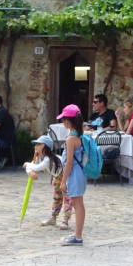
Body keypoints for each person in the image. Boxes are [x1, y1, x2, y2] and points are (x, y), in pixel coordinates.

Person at [23, 134, 72, 230]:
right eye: (36, 144)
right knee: (57, 198)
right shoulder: (39, 157)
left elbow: (37, 167)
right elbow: (32, 166)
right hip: (57, 177)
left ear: (45, 147)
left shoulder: (48, 159)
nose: (36, 146)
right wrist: (29, 171)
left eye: (39, 144)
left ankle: (65, 221)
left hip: (66, 177)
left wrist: (27, 164)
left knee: (67, 199)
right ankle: (53, 218)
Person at [58, 104, 86, 246]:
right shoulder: (79, 135)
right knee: (78, 203)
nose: (62, 122)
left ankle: (78, 237)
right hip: (80, 173)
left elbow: (69, 162)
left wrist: (63, 181)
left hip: (74, 174)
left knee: (77, 204)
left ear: (68, 121)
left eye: (63, 119)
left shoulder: (70, 139)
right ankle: (77, 234)